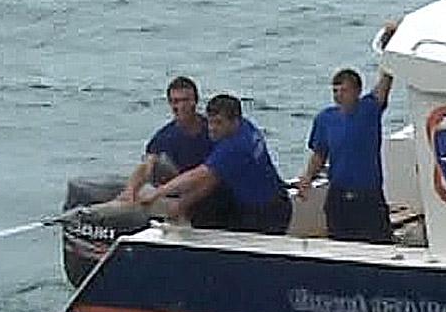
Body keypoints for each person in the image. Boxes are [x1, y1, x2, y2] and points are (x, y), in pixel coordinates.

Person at [293, 23, 398, 243]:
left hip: (368, 195)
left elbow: (387, 78)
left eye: (344, 90)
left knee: (380, 245)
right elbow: (319, 154)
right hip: (338, 195)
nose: (338, 95)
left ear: (357, 91)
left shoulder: (369, 109)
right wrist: (307, 178)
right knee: (339, 243)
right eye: (335, 90)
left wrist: (391, 44)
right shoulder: (325, 119)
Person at [147, 93, 292, 234]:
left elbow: (196, 176)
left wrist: (157, 194)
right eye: (210, 122)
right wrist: (182, 204)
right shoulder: (246, 127)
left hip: (267, 214)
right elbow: (212, 179)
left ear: (234, 121)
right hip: (272, 201)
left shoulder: (236, 147)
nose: (211, 128)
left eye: (218, 123)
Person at [116, 76, 213, 203]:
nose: (180, 106)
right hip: (183, 188)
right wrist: (131, 190)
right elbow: (147, 166)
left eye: (185, 100)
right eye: (175, 101)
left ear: (195, 101)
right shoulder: (164, 137)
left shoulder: (213, 129)